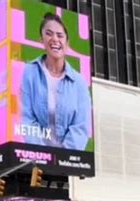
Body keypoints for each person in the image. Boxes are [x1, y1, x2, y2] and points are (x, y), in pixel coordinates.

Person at [20, 12, 92, 151]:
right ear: (41, 40)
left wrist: (62, 158)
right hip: (34, 160)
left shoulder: (79, 82)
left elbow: (81, 127)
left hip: (67, 163)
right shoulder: (28, 72)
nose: (55, 39)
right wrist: (44, 156)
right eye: (49, 34)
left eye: (60, 35)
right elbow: (26, 119)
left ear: (67, 43)